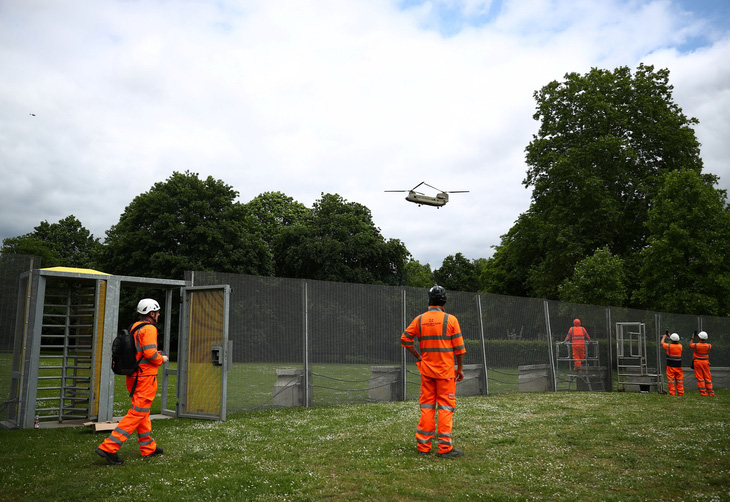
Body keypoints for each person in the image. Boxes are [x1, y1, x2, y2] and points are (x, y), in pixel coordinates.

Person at [96, 298, 169, 465]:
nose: (158, 315)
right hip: (145, 378)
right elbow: (150, 354)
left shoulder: (134, 326)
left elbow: (140, 351)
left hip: (134, 376)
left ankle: (148, 448)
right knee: (137, 413)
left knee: (142, 413)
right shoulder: (149, 328)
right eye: (157, 313)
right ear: (151, 313)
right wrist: (162, 359)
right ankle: (109, 447)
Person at [400, 285, 466, 458]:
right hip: (445, 373)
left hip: (427, 371)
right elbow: (459, 349)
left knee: (427, 407)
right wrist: (460, 369)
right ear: (444, 301)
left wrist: (418, 356)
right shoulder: (451, 320)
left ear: (429, 300)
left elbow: (405, 339)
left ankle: (423, 447)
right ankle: (445, 449)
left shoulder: (420, 319)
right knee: (445, 407)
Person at [690, 331, 714, 397]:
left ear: (699, 338)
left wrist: (692, 338)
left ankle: (703, 393)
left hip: (697, 362)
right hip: (706, 362)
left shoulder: (696, 345)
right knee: (707, 377)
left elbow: (690, 345)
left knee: (700, 378)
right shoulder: (709, 346)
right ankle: (710, 392)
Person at [661, 332, 684, 396]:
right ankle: (681, 393)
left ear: (671, 340)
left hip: (670, 365)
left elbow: (662, 343)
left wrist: (664, 337)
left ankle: (672, 393)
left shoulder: (669, 346)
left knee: (671, 380)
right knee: (679, 380)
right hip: (678, 366)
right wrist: (670, 336)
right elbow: (674, 341)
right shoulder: (680, 346)